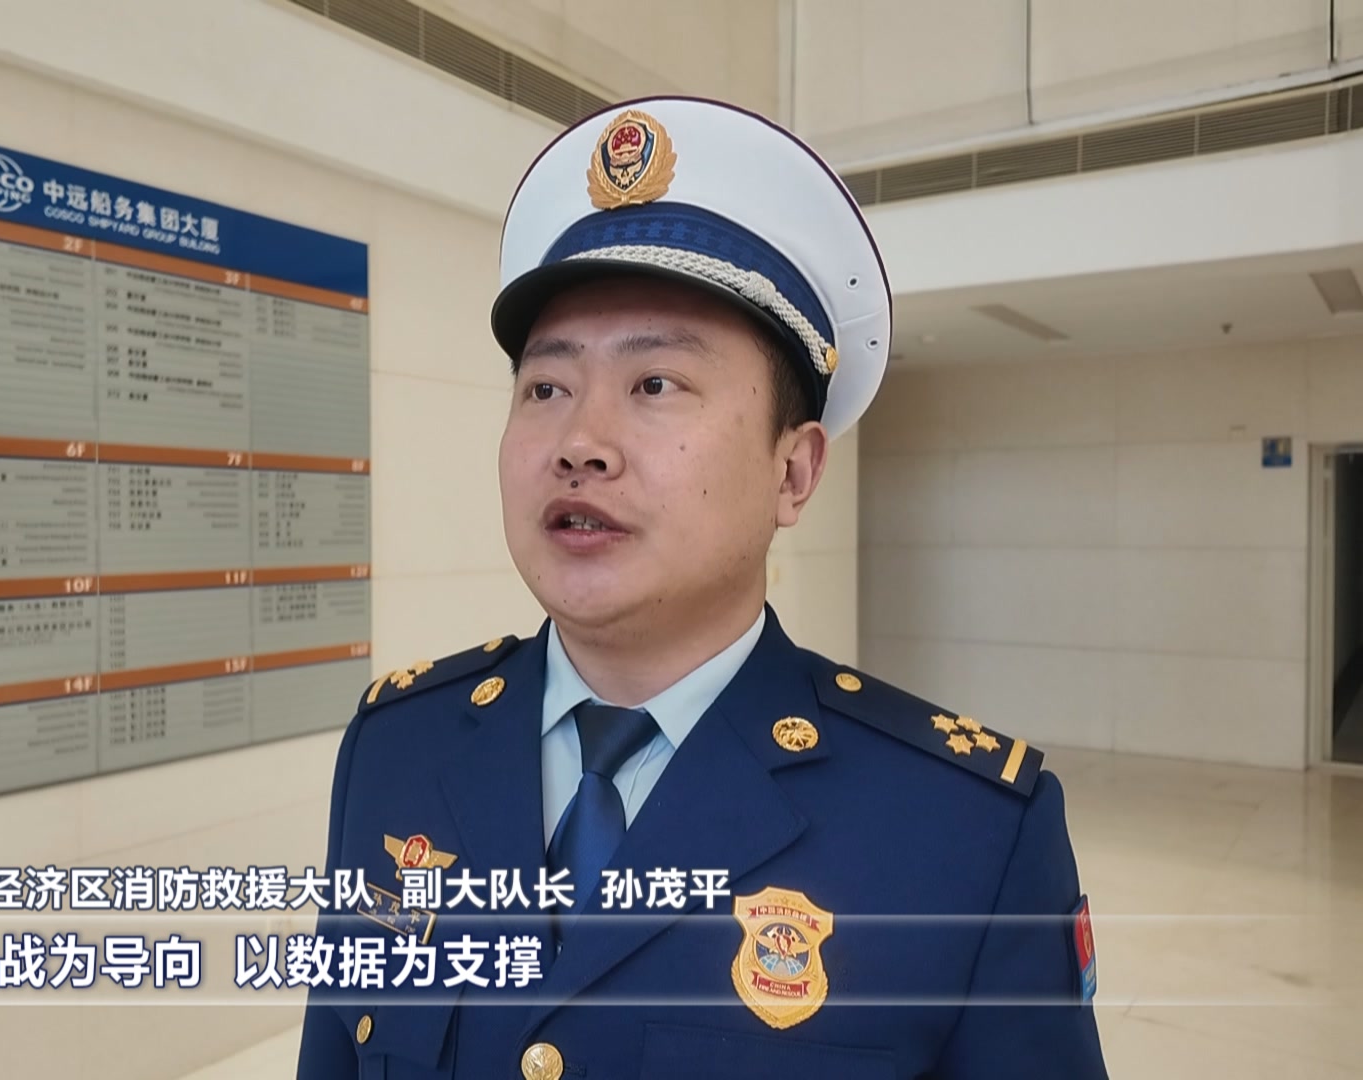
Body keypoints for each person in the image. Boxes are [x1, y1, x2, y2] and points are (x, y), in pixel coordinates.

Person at [297, 97, 1107, 1080]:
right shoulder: (398, 746)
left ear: (793, 471)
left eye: (655, 385)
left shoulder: (965, 834)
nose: (580, 443)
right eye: (546, 388)